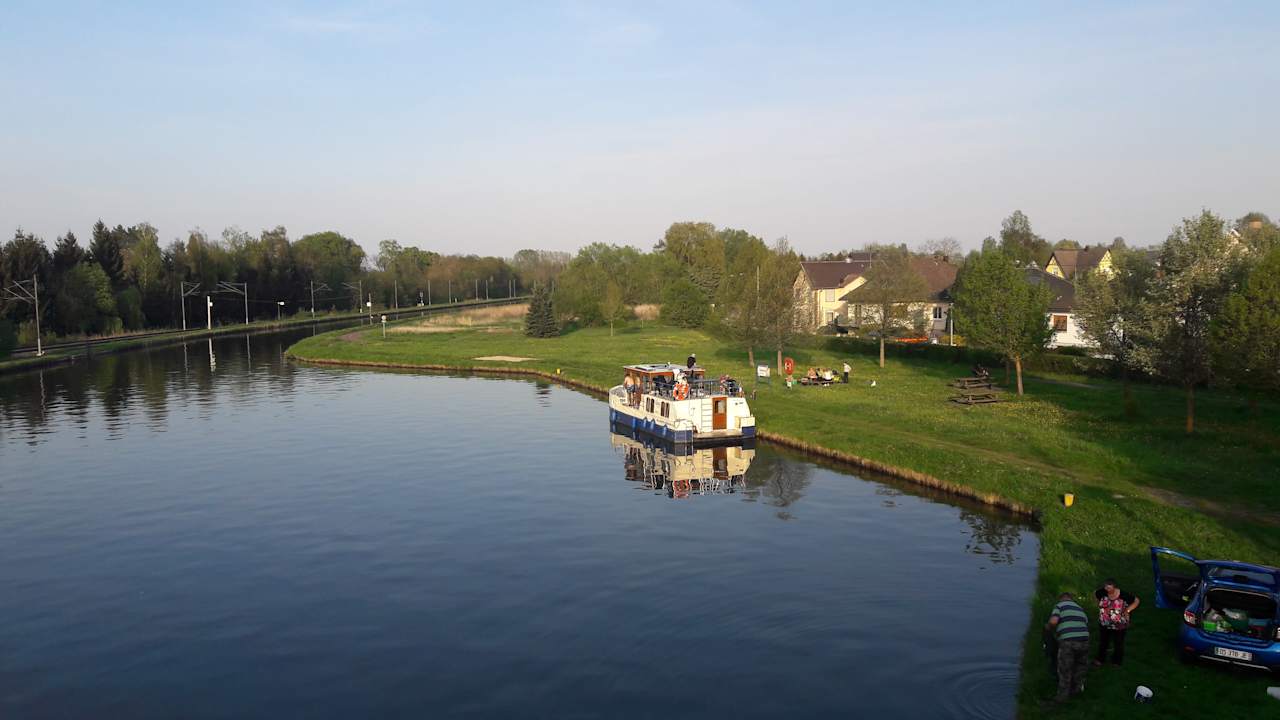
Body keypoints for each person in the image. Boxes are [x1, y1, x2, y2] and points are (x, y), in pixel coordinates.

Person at [1046, 592, 1090, 705]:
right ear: (1072, 599)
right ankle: (1076, 690)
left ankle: (1062, 698)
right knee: (1080, 666)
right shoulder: (1080, 609)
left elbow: (1053, 621)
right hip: (1084, 641)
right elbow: (1085, 623)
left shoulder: (1060, 606)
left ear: (1061, 599)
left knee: (1065, 669)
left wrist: (1048, 627)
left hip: (1068, 642)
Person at [1094, 579, 1139, 666]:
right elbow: (1095, 593)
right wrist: (1099, 605)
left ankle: (1116, 661)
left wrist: (1127, 610)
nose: (1107, 590)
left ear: (1114, 587)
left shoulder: (1123, 595)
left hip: (1119, 624)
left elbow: (1136, 601)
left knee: (1118, 643)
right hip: (1104, 623)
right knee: (1103, 642)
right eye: (1106, 587)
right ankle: (1100, 659)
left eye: (1109, 588)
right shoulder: (1102, 592)